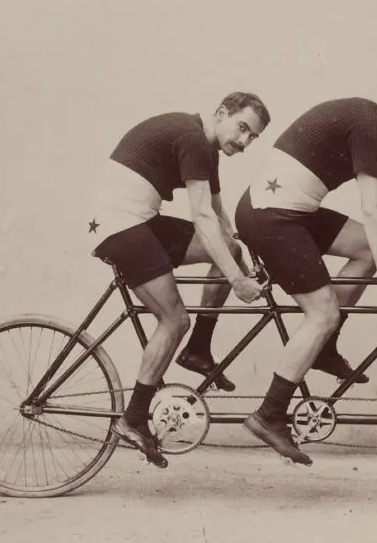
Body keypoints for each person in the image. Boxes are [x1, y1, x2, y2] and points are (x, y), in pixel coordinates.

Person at [232, 80, 377, 465]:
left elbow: (376, 229)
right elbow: (375, 208)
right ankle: (270, 414)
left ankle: (324, 346)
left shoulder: (363, 117)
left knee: (367, 249)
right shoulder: (367, 125)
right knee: (322, 313)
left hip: (291, 210)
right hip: (271, 216)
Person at [88, 93, 271, 468]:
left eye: (253, 137)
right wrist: (238, 282)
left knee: (229, 252)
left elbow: (219, 218)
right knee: (174, 320)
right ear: (221, 113)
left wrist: (244, 254)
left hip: (138, 221)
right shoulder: (192, 139)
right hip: (121, 226)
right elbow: (202, 217)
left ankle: (198, 350)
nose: (245, 141)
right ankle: (133, 418)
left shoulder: (206, 147)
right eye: (242, 128)